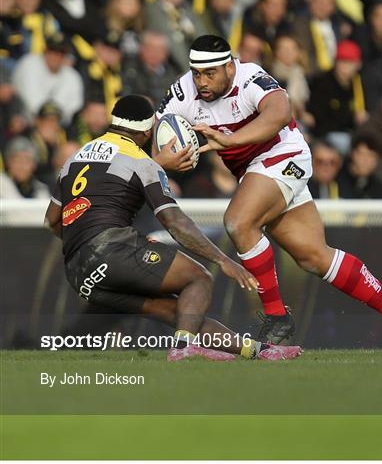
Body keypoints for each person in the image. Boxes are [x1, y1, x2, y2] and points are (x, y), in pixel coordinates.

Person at [155, 34, 382, 355]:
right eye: (197, 73)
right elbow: (159, 132)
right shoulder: (183, 90)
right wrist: (164, 160)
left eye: (210, 73)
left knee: (238, 222)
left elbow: (280, 112)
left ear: (230, 66)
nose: (202, 81)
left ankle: (277, 317)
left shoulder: (249, 77)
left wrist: (232, 141)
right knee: (314, 257)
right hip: (256, 173)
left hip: (285, 154)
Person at [44, 94, 300, 362]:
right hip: (113, 250)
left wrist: (85, 247)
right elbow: (175, 221)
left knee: (179, 313)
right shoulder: (140, 162)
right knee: (199, 278)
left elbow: (52, 220)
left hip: (78, 273)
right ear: (146, 130)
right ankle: (183, 350)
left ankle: (259, 352)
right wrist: (222, 259)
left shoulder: (74, 158)